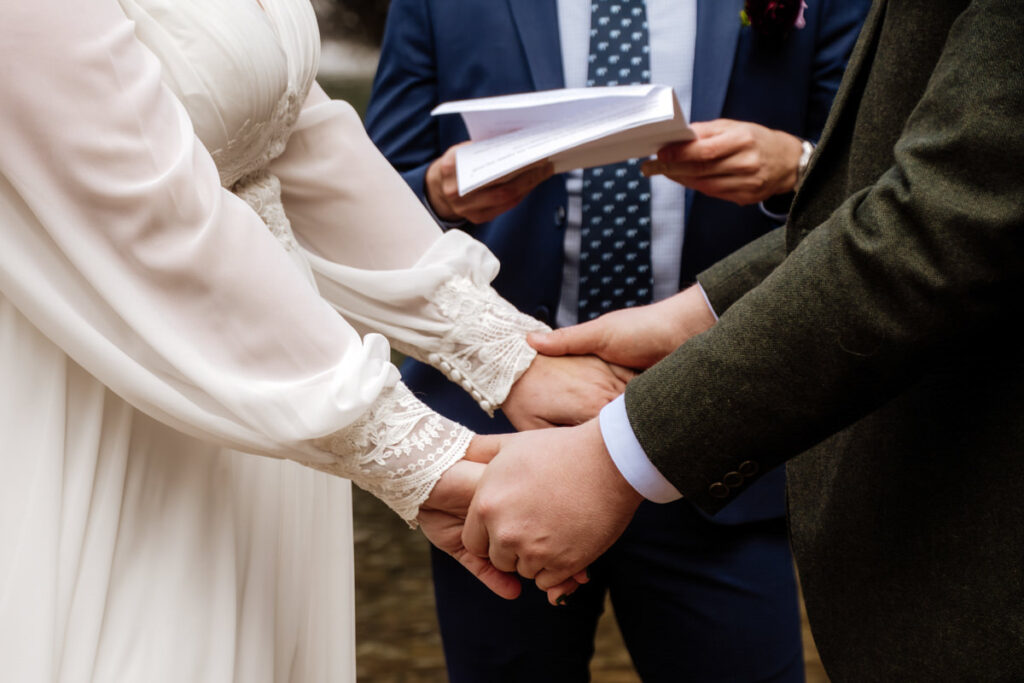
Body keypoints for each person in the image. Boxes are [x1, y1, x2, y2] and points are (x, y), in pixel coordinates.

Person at [0, 1, 624, 681]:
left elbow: (280, 121)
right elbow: (141, 205)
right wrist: (418, 453)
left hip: (277, 397)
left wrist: (503, 352)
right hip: (118, 394)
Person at [462, 0, 1024, 679]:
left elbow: (942, 215)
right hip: (521, 433)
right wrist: (700, 311)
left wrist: (622, 449)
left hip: (924, 488)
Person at [365, 0, 868, 680]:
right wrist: (437, 192)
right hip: (500, 450)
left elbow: (889, 181)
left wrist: (798, 167)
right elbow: (359, 200)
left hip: (722, 439)